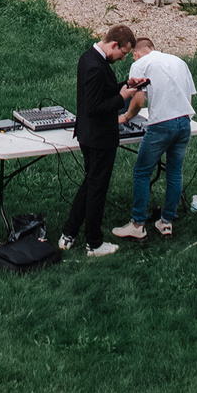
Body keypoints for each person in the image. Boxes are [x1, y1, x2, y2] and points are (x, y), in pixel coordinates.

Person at [60, 24, 137, 256]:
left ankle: (69, 232)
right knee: (97, 190)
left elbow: (102, 90)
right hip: (99, 137)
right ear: (114, 45)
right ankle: (94, 243)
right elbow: (94, 107)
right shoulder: (96, 67)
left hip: (88, 134)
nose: (122, 58)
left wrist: (125, 85)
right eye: (123, 53)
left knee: (89, 184)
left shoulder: (89, 58)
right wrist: (121, 98)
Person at [114, 35, 197, 241]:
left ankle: (137, 224)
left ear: (136, 53)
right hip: (184, 122)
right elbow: (189, 95)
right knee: (174, 172)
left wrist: (125, 118)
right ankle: (166, 222)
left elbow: (138, 100)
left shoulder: (140, 64)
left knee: (142, 171)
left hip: (161, 125)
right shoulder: (179, 61)